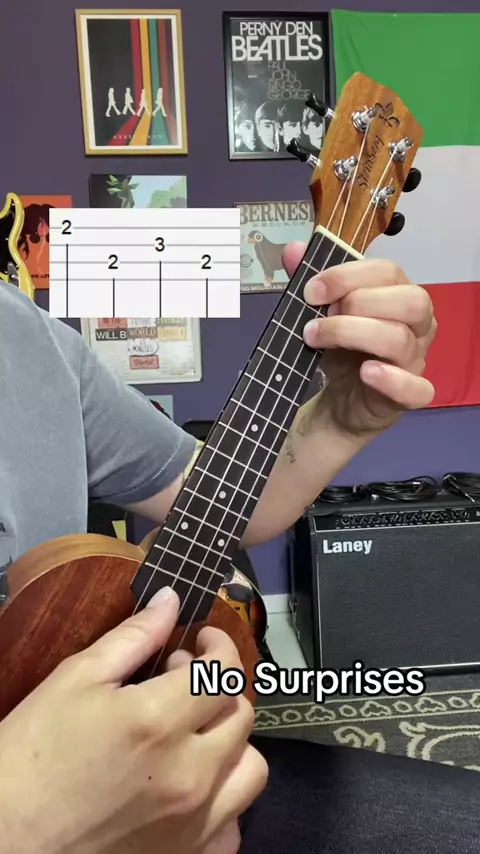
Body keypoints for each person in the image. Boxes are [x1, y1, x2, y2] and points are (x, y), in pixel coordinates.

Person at [3, 242, 478, 853]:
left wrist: (338, 418)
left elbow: (213, 496)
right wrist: (26, 819)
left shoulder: (25, 334)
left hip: (128, 770)